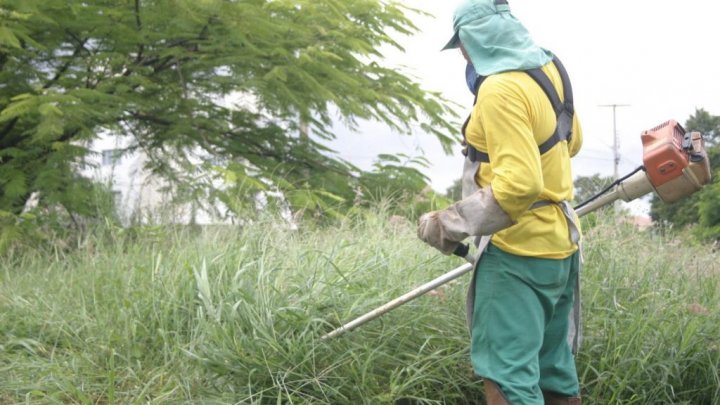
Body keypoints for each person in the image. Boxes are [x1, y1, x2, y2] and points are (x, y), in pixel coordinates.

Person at [417, 0, 584, 404]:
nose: (462, 53)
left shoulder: (499, 88)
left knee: (507, 377)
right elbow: (572, 141)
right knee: (553, 372)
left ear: (470, 43)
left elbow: (520, 184)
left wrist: (449, 224)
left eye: (462, 45)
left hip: (516, 253)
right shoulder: (549, 70)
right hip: (561, 248)